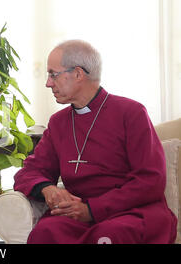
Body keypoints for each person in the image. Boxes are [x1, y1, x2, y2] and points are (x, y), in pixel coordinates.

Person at [14, 40, 177, 244]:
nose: (48, 83)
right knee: (44, 233)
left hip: (132, 212)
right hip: (77, 216)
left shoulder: (132, 113)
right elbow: (29, 172)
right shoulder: (58, 123)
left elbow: (150, 180)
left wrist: (92, 209)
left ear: (78, 74)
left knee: (107, 236)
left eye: (53, 74)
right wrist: (48, 188)